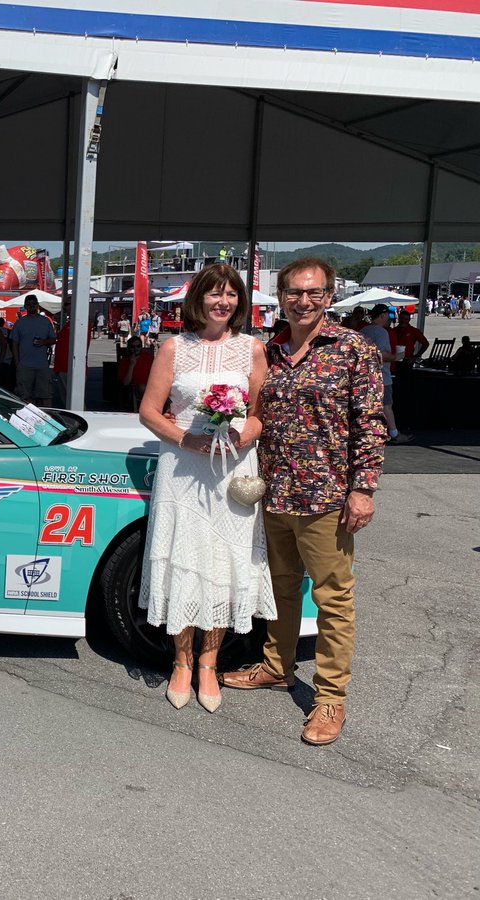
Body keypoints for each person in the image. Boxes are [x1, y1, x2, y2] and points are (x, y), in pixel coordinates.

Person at [223, 258, 386, 746]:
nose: (303, 300)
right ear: (281, 297)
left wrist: (363, 488)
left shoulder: (352, 349)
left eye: (313, 292)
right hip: (274, 492)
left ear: (329, 296)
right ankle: (276, 666)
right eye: (294, 292)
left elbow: (371, 423)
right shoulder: (270, 350)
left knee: (333, 599)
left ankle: (330, 696)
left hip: (327, 497)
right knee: (282, 588)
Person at [138, 264, 275, 713]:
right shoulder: (174, 347)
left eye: (231, 295)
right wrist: (189, 438)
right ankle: (180, 662)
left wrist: (241, 437)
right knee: (185, 557)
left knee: (225, 560)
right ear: (198, 298)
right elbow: (150, 412)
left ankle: (209, 664)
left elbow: (260, 414)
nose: (223, 302)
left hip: (233, 470)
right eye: (214, 294)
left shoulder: (252, 349)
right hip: (183, 467)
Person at [359, 304, 410, 444]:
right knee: (386, 405)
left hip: (364, 376)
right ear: (382, 315)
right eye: (388, 315)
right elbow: (380, 353)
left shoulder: (363, 330)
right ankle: (394, 433)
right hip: (382, 377)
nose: (390, 319)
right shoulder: (381, 332)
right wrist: (396, 357)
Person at [9, 293, 56, 405]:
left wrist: (44, 342)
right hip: (25, 365)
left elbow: (54, 339)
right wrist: (17, 363)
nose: (32, 306)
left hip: (42, 365)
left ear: (38, 305)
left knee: (46, 394)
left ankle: (48, 417)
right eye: (29, 304)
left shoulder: (45, 321)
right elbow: (14, 344)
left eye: (34, 304)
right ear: (25, 306)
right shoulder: (20, 323)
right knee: (25, 396)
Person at [116, 335, 153, 412]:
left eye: (138, 346)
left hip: (152, 386)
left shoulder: (149, 358)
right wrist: (131, 365)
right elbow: (126, 383)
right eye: (133, 346)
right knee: (142, 387)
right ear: (129, 348)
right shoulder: (125, 361)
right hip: (136, 388)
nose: (135, 349)